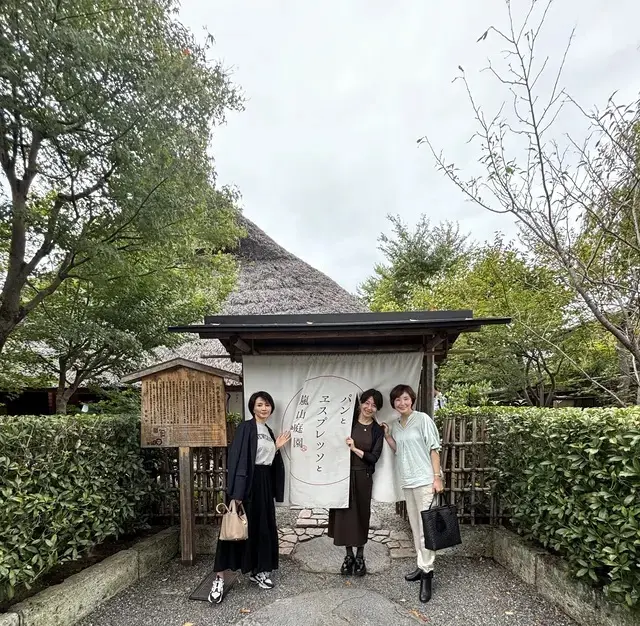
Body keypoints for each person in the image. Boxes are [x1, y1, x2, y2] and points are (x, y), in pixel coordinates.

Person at [208, 391, 291, 604]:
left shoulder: (269, 431)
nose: (264, 408)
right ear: (253, 407)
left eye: (267, 405)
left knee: (262, 529)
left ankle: (259, 571)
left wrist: (277, 446)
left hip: (263, 483)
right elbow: (237, 459)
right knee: (233, 531)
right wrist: (236, 493)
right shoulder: (246, 427)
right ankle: (219, 578)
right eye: (260, 404)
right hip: (246, 484)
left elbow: (267, 460)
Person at [381, 384, 443, 604]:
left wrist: (437, 477)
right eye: (397, 400)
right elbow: (399, 449)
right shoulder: (397, 425)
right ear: (394, 404)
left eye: (405, 399)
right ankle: (421, 565)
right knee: (416, 528)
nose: (402, 403)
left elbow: (433, 448)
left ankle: (428, 574)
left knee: (426, 530)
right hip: (408, 482)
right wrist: (388, 436)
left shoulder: (423, 419)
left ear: (412, 400)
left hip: (425, 480)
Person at [328, 389, 384, 577]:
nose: (369, 407)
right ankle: (348, 555)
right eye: (366, 403)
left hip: (363, 477)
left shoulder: (377, 430)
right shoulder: (347, 423)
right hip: (343, 476)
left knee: (361, 515)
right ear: (360, 403)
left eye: (374, 405)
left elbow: (374, 457)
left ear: (377, 409)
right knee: (344, 516)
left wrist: (354, 448)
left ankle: (360, 555)